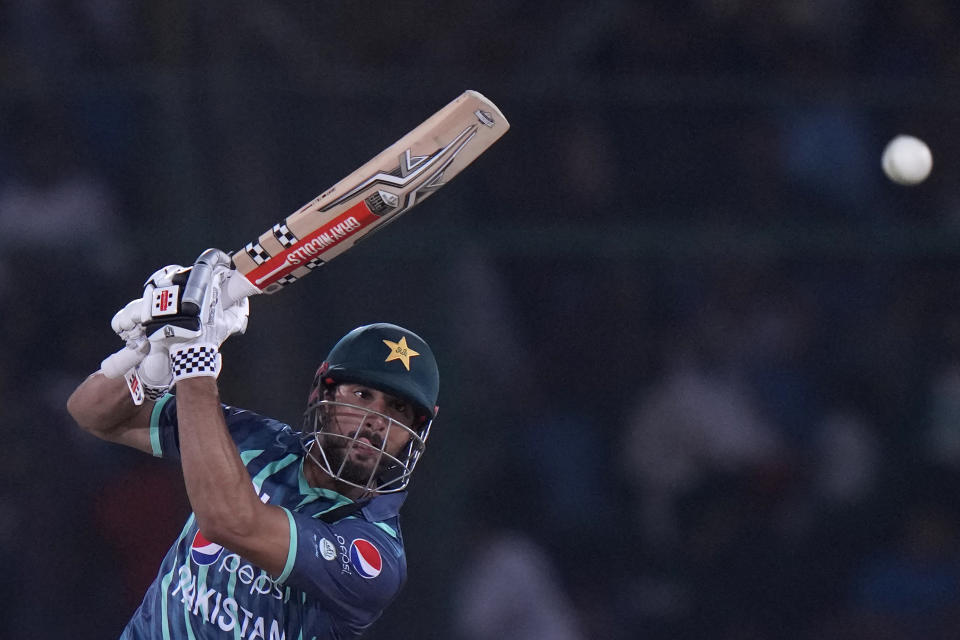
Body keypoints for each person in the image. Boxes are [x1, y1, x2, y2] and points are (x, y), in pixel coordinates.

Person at [67, 251, 440, 639]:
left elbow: (228, 521)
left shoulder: (373, 557)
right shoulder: (254, 440)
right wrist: (149, 356)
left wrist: (194, 360)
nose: (376, 421)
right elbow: (90, 412)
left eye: (399, 409)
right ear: (322, 394)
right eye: (362, 394)